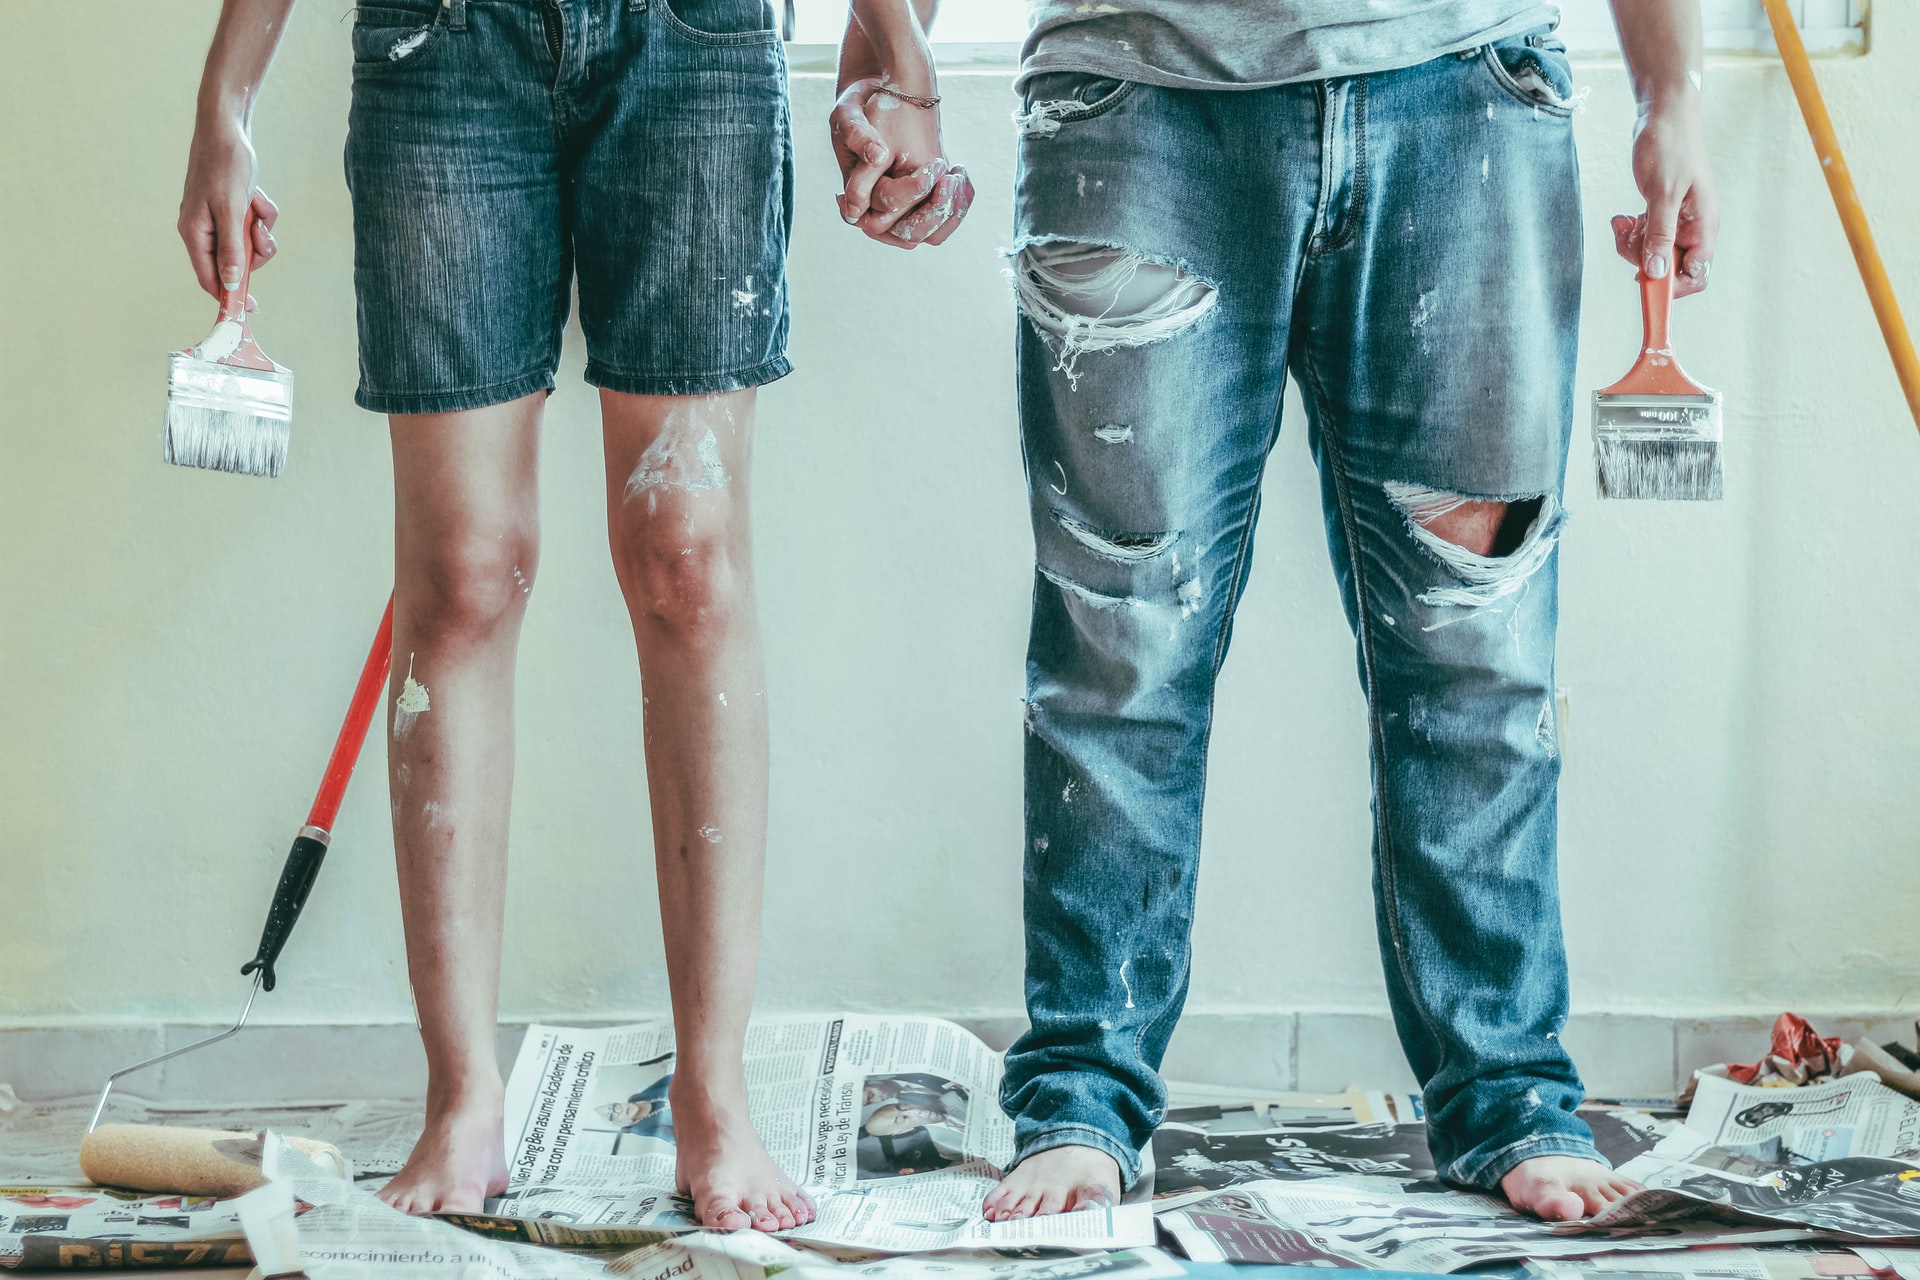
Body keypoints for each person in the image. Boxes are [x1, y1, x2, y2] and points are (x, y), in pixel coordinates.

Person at [832, 0, 1718, 1225]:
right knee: (1120, 646)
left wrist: (1669, 95)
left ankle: (1509, 1091)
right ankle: (1084, 1090)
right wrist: (888, 51)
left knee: (1480, 647)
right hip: (1135, 100)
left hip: (1462, 88)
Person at [181, 0, 813, 1231]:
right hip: (444, 48)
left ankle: (717, 1093)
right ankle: (464, 1093)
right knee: (463, 576)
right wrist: (226, 103)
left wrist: (894, 45)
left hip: (694, 47)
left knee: (687, 560)